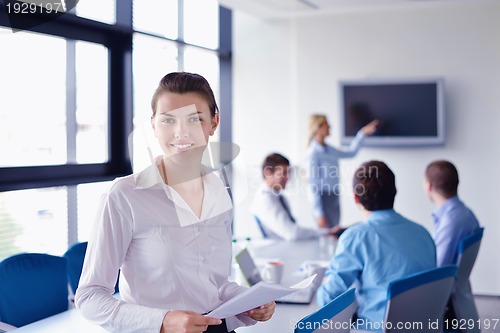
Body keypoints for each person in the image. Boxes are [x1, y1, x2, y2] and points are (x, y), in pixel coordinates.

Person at [75, 72, 275, 333]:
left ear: (213, 124)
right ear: (154, 124)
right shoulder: (125, 196)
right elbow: (90, 297)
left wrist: (249, 301)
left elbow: (214, 284)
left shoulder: (218, 190)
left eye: (195, 119)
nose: (181, 132)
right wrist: (162, 321)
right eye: (168, 120)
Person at [316, 160, 436, 330]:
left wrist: (324, 282)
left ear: (356, 197)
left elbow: (327, 300)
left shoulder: (355, 237)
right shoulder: (424, 234)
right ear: (394, 192)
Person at [306, 114, 379, 228]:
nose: (330, 127)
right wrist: (319, 213)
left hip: (334, 195)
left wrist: (362, 133)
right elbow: (313, 185)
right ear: (319, 127)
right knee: (327, 234)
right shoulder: (313, 153)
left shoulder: (329, 149)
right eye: (327, 124)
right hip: (323, 198)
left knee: (335, 230)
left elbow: (350, 153)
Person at [251, 153, 343, 240]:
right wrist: (325, 232)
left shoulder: (279, 197)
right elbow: (291, 233)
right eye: (283, 172)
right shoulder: (265, 199)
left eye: (288, 172)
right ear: (268, 173)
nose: (287, 177)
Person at [424, 160, 480, 266]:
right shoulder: (466, 213)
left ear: (429, 186)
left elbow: (437, 267)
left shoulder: (451, 222)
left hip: (444, 282)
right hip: (458, 282)